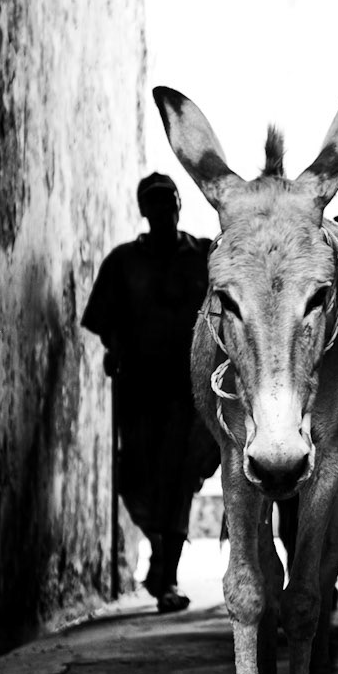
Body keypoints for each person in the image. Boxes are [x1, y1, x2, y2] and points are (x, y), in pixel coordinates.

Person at [82, 172, 219, 612]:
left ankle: (168, 576)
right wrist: (114, 349)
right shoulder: (123, 262)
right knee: (135, 480)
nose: (164, 210)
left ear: (179, 206)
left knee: (180, 478)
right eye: (155, 203)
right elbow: (103, 321)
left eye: (169, 201)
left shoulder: (203, 257)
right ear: (143, 210)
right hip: (140, 390)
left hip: (189, 392)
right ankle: (160, 554)